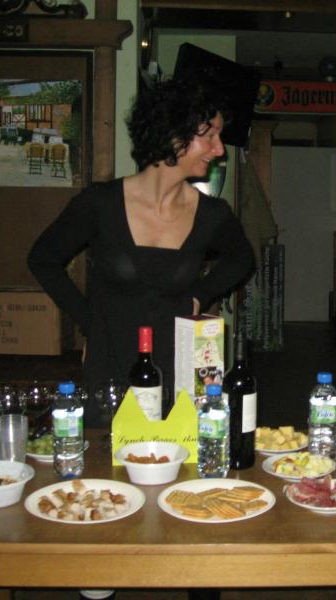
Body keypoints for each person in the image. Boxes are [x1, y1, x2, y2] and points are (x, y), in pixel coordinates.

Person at [28, 79, 255, 427]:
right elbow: (43, 259)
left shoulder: (212, 215)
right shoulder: (100, 204)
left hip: (179, 373)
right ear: (174, 134)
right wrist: (90, 323)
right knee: (108, 461)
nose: (219, 149)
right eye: (210, 135)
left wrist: (201, 294)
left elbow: (242, 259)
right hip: (110, 369)